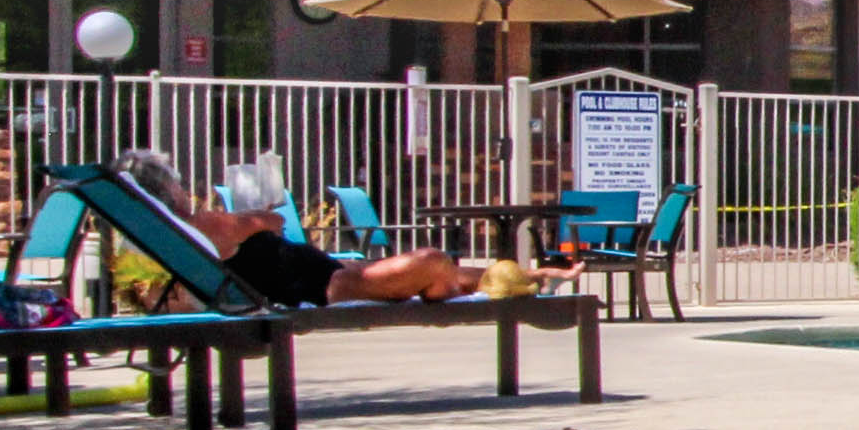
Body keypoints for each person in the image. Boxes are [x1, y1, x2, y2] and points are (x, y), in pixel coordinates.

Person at [110, 152, 564, 306]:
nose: (184, 187)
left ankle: (530, 278)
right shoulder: (198, 224)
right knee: (432, 260)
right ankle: (478, 283)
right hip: (328, 287)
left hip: (325, 274)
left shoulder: (163, 237)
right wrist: (263, 213)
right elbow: (270, 220)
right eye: (177, 181)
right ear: (167, 189)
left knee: (449, 269)